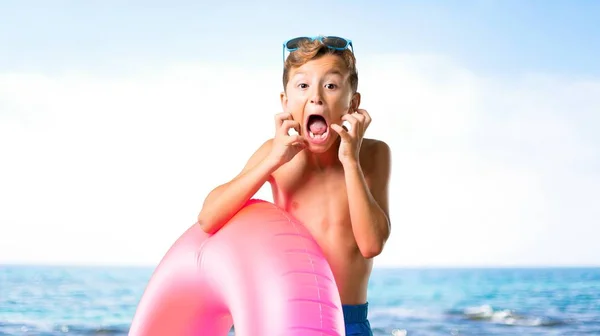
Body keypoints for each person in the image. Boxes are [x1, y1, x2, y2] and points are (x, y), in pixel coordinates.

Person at [198, 35, 391, 336]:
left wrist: (350, 160)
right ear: (286, 102)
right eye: (303, 86)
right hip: (285, 318)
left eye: (330, 85)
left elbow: (371, 244)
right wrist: (273, 159)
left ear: (353, 103)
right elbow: (209, 218)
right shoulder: (275, 155)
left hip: (347, 322)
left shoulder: (374, 154)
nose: (316, 98)